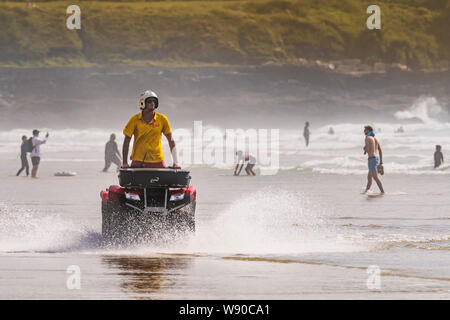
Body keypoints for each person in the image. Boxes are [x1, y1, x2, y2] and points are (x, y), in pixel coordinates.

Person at [122, 90, 180, 169]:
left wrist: (176, 162)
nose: (152, 103)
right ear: (143, 103)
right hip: (138, 161)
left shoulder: (162, 119)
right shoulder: (134, 120)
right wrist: (125, 162)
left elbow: (171, 141)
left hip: (158, 161)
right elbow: (126, 141)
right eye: (149, 101)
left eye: (154, 101)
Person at [363, 125, 384, 194]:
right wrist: (381, 161)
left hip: (371, 159)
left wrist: (365, 149)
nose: (364, 131)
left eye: (365, 130)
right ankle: (366, 190)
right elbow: (380, 150)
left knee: (375, 177)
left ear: (368, 131)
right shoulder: (375, 139)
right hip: (376, 158)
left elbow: (368, 150)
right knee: (369, 177)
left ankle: (382, 192)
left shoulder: (367, 138)